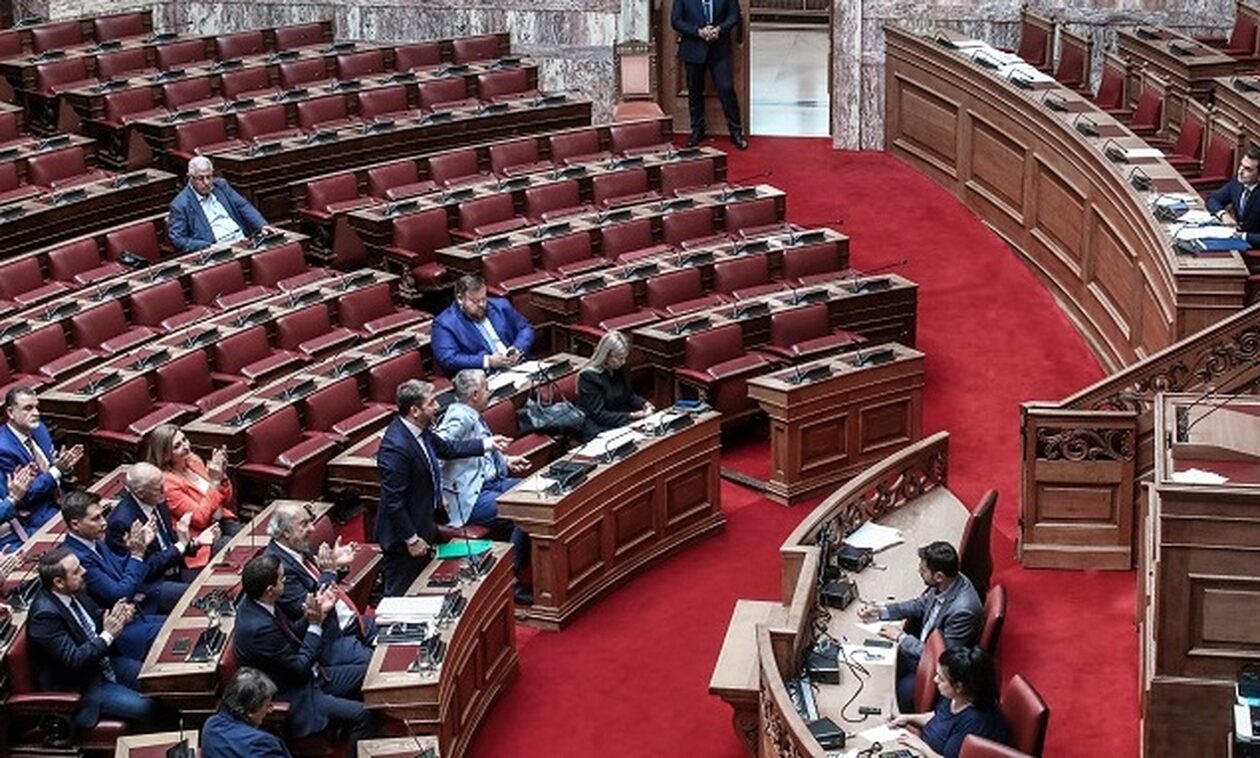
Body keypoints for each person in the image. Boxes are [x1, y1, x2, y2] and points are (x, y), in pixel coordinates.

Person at [376, 379, 510, 596]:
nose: (437, 406)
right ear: (415, 411)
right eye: (431, 403)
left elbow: (447, 449)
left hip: (424, 523)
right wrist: (411, 539)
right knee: (400, 595)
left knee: (421, 590)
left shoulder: (421, 431)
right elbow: (394, 501)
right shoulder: (396, 447)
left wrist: (487, 444)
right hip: (403, 538)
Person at [233, 554, 373, 748]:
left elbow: (290, 633)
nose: (285, 581)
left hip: (314, 677)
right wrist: (315, 625)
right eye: (282, 579)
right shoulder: (258, 629)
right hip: (297, 693)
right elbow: (299, 668)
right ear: (270, 590)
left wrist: (316, 613)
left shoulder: (257, 603)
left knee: (371, 674)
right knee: (364, 715)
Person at [26, 546, 166, 729]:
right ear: (59, 582)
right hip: (83, 686)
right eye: (76, 571)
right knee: (147, 707)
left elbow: (95, 621)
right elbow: (74, 659)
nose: (84, 571)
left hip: (102, 664)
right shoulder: (44, 617)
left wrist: (120, 616)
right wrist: (108, 634)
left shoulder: (76, 591)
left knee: (159, 682)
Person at [434, 369, 533, 604]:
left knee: (536, 496)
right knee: (526, 511)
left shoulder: (471, 413)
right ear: (475, 394)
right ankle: (509, 579)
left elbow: (477, 456)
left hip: (491, 483)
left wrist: (506, 461)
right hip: (469, 496)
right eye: (486, 388)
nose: (490, 392)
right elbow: (437, 452)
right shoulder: (459, 417)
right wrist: (438, 494)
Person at [858, 541, 983, 711]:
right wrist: (881, 611)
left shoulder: (963, 610)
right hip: (923, 649)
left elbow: (944, 658)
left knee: (896, 694)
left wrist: (901, 637)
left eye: (923, 570)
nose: (919, 571)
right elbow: (920, 604)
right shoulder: (948, 582)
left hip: (938, 671)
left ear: (939, 576)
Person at [264, 501, 375, 667]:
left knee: (399, 634)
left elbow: (318, 579)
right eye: (304, 524)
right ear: (286, 532)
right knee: (377, 664)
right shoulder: (279, 568)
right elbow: (314, 608)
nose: (312, 529)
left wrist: (336, 564)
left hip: (349, 620)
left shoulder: (298, 547)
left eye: (310, 522)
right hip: (330, 638)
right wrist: (329, 571)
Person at [62, 490, 191, 632]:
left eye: (102, 516)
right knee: (182, 629)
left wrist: (141, 545)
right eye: (95, 519)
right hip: (119, 625)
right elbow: (119, 595)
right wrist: (137, 554)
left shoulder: (94, 541)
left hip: (137, 602)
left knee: (194, 600)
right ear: (75, 525)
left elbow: (123, 569)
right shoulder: (77, 558)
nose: (104, 523)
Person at [106, 462, 218, 587]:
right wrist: (181, 545)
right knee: (199, 592)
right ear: (140, 492)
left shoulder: (158, 501)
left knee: (216, 576)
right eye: (158, 489)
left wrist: (196, 542)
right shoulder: (121, 522)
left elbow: (169, 542)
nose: (164, 490)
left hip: (175, 571)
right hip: (152, 585)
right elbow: (145, 569)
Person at [145, 424, 240, 568]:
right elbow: (200, 519)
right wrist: (215, 482)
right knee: (234, 550)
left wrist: (222, 476)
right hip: (201, 538)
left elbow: (226, 500)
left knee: (250, 539)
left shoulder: (194, 461)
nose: (185, 446)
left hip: (220, 520)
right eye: (177, 446)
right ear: (165, 454)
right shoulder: (167, 483)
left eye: (184, 440)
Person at [887, 646, 1010, 758]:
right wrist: (907, 718)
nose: (935, 680)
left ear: (959, 686)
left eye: (941, 678)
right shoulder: (956, 695)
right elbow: (938, 717)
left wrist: (921, 746)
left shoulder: (975, 722)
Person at [0, 386, 84, 539]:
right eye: (28, 408)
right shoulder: (3, 449)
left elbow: (52, 464)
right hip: (36, 512)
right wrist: (57, 470)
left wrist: (64, 465)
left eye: (36, 407)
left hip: (62, 497)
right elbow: (22, 496)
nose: (36, 413)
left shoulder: (40, 429)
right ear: (10, 412)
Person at [672, 0, 748, 150]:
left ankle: (736, 132)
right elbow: (676, 21)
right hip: (693, 49)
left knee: (726, 88)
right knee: (694, 91)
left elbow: (734, 15)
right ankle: (697, 130)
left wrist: (719, 29)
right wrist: (698, 32)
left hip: (719, 50)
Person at [431, 274, 535, 377]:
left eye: (484, 299)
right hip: (484, 377)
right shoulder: (444, 324)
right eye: (475, 301)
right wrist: (487, 361)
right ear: (460, 299)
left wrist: (517, 348)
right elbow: (449, 358)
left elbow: (525, 328)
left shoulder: (501, 306)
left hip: (519, 366)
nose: (482, 304)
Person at [167, 156, 274, 252]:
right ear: (190, 178)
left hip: (242, 240)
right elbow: (178, 239)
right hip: (218, 249)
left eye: (209, 177)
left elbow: (243, 206)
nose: (206, 182)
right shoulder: (180, 204)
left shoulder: (221, 186)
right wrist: (207, 246)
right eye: (201, 178)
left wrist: (261, 225)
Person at [576, 330, 654, 442]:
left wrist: (644, 404)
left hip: (620, 417)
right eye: (620, 358)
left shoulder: (621, 369)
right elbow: (598, 414)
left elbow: (629, 395)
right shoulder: (589, 377)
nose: (623, 362)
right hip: (597, 425)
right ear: (606, 356)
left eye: (625, 358)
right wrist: (631, 416)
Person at [201, 667, 292, 758]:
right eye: (267, 705)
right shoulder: (262, 745)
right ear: (250, 711)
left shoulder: (211, 724)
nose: (270, 710)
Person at [1207, 144, 1260, 248]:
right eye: (1241, 165)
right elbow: (1213, 198)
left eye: (1248, 169)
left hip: (1253, 246)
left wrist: (1244, 236)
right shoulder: (1238, 182)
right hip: (1234, 239)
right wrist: (1223, 215)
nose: (1240, 171)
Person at [0, 463, 37, 550]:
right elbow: (10, 500)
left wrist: (22, 481)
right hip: (5, 546)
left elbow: (9, 497)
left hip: (23, 529)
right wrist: (12, 498)